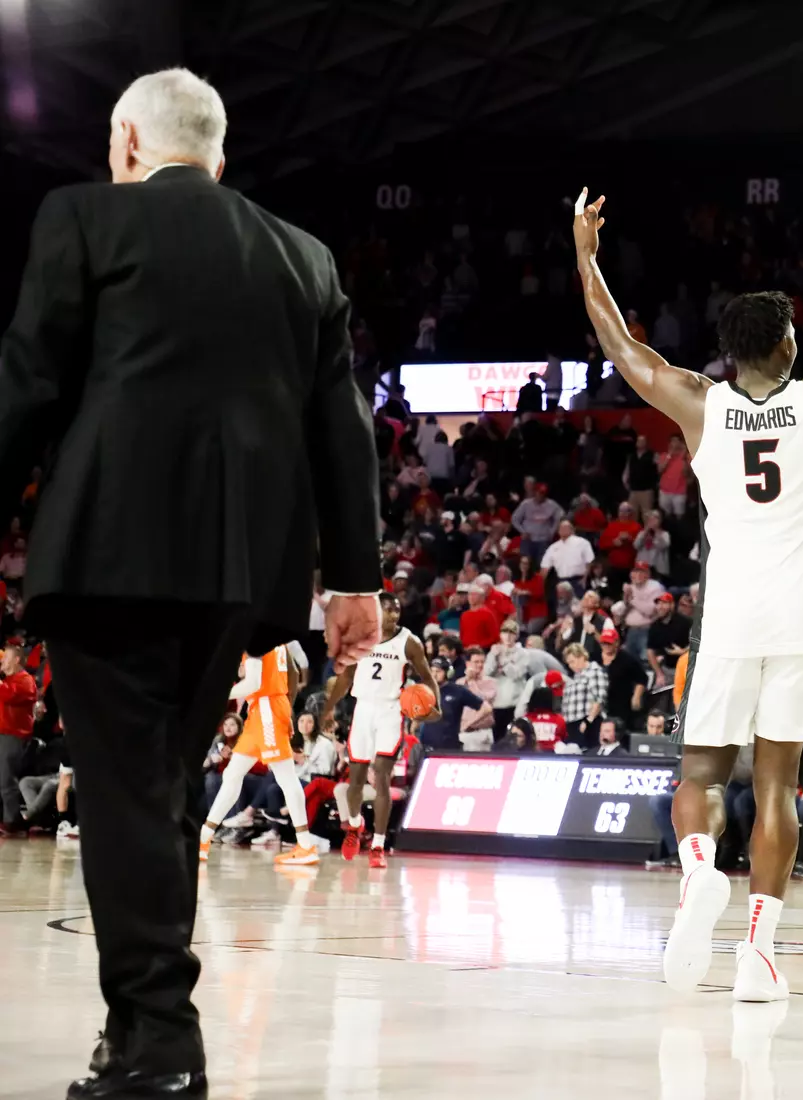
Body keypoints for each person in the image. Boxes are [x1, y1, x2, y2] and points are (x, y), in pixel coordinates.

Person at [0, 69, 383, 1100]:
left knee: (128, 793)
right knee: (157, 788)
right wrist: (355, 577)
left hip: (108, 551)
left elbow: (28, 384)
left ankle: (159, 1039)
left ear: (127, 143)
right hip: (237, 570)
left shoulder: (83, 218)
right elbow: (342, 430)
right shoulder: (302, 254)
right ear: (218, 151)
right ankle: (140, 1029)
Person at [573, 157, 803, 1002]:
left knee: (700, 777)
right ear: (784, 345)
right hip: (797, 617)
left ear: (727, 352)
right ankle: (759, 953)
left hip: (730, 613)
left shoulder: (696, 402)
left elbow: (618, 340)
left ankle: (699, 866)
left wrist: (586, 254)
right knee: (780, 785)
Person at [320, 593, 437, 868]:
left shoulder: (409, 642)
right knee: (356, 780)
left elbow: (428, 678)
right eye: (388, 610)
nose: (393, 615)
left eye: (397, 611)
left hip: (390, 711)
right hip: (362, 709)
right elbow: (345, 678)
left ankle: (378, 846)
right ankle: (354, 827)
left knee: (382, 777)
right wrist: (328, 709)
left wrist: (437, 707)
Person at [199, 643, 319, 867]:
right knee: (232, 775)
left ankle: (305, 845)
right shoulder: (276, 637)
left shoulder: (255, 637)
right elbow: (292, 673)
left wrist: (217, 692)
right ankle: (204, 838)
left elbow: (253, 683)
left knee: (286, 778)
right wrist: (287, 709)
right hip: (263, 711)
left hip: (267, 710)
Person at [0, 643, 38, 830]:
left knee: (6, 780)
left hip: (13, 736)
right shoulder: (8, 681)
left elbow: (9, 696)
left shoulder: (25, 680)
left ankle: (12, 822)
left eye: (5, 658)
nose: (2, 662)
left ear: (16, 660)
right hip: (3, 734)